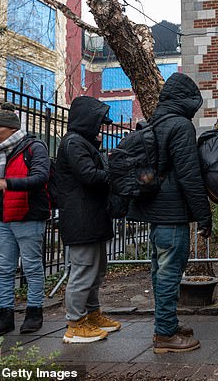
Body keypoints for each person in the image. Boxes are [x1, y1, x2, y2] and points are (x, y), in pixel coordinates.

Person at [129, 73, 212, 354]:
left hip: (156, 214)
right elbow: (190, 176)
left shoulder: (156, 122)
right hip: (173, 215)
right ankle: (164, 334)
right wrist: (205, 215)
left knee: (159, 271)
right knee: (169, 274)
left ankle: (167, 324)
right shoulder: (180, 126)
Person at [57, 95, 121, 344]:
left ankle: (91, 314)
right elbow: (89, 176)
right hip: (81, 218)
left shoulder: (83, 143)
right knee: (84, 270)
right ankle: (75, 323)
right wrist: (113, 171)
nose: (101, 128)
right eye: (98, 122)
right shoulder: (74, 143)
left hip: (91, 217)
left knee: (96, 270)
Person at [0, 103, 50, 337]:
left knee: (31, 267)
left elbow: (41, 178)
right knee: (4, 269)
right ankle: (5, 317)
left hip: (27, 216)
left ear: (11, 128)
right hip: (2, 218)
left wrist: (7, 183)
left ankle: (34, 313)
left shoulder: (34, 147)